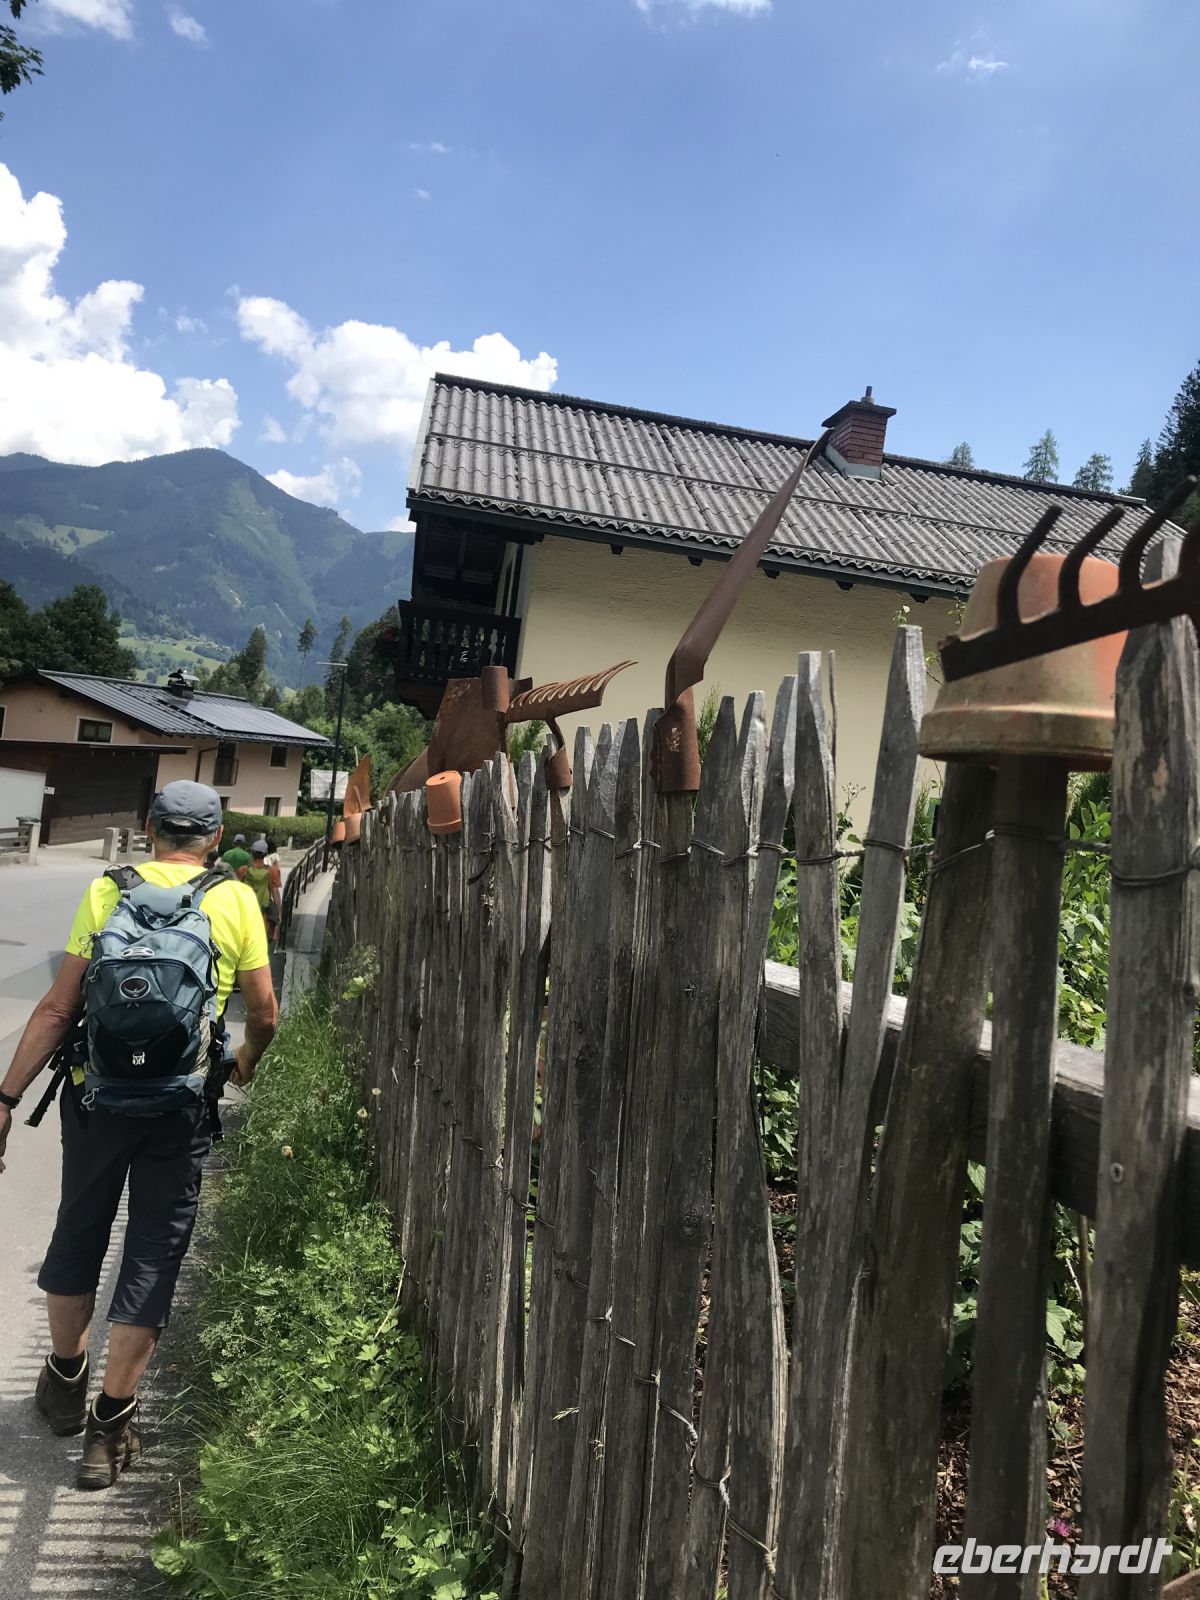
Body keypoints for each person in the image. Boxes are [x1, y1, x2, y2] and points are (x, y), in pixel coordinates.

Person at [0, 781, 278, 1490]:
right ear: (215, 839)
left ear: (150, 827)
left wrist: (5, 1098)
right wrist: (241, 1065)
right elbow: (265, 1014)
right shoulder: (234, 898)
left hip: (97, 1098)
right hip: (179, 1108)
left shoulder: (107, 890)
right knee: (152, 1256)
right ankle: (108, 1428)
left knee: (78, 1232)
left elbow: (59, 1007)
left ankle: (66, 1380)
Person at [242, 837, 283, 944]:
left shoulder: (243, 870)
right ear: (265, 854)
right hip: (263, 910)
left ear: (252, 853)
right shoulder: (272, 871)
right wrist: (279, 912)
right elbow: (275, 892)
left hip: (246, 909)